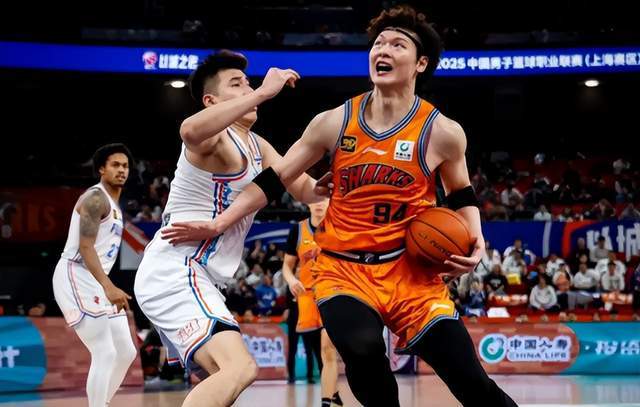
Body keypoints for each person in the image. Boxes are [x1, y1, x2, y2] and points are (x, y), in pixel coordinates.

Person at [162, 6, 516, 406]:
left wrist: (476, 238)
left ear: (420, 63)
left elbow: (461, 193)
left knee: (471, 381)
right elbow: (276, 178)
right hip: (343, 270)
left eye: (397, 44)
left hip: (410, 272)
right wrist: (219, 222)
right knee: (363, 350)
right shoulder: (333, 122)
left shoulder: (443, 132)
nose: (383, 49)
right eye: (378, 43)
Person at [135, 50, 327, 407]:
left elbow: (304, 188)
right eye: (236, 84)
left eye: (249, 83)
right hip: (177, 269)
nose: (249, 89)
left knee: (223, 382)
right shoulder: (216, 137)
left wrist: (345, 184)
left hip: (199, 277)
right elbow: (190, 130)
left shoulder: (258, 146)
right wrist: (263, 92)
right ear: (211, 101)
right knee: (240, 368)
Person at [52, 143, 137, 407]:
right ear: (101, 169)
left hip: (95, 279)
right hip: (75, 274)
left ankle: (102, 403)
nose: (122, 170)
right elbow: (85, 247)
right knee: (105, 351)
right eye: (115, 165)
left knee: (126, 351)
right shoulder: (95, 198)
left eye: (125, 166)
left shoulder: (115, 205)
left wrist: (105, 285)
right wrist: (108, 286)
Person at [282, 199, 342, 407]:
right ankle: (334, 396)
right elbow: (286, 266)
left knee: (327, 348)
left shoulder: (339, 227)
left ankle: (327, 401)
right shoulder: (297, 230)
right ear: (307, 203)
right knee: (318, 350)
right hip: (306, 298)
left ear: (331, 202)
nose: (318, 204)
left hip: (332, 294)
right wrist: (291, 280)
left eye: (323, 199)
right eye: (314, 199)